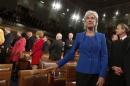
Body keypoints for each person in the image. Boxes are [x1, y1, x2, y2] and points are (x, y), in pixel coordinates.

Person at [48, 10, 108, 86]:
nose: (90, 20)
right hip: (81, 72)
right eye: (88, 18)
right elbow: (70, 53)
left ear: (96, 21)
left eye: (93, 18)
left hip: (96, 73)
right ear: (85, 21)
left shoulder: (101, 36)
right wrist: (58, 64)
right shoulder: (79, 36)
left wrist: (102, 75)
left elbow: (104, 56)